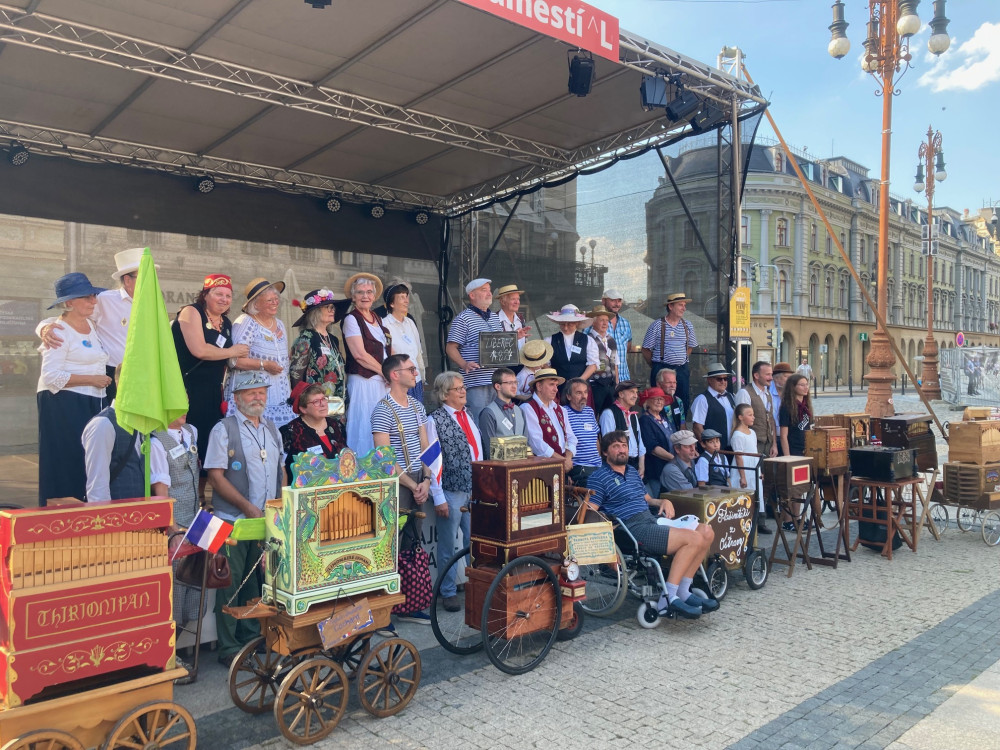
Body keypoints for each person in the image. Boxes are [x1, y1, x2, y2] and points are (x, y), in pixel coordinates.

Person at [589, 431, 717, 619]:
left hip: (650, 519)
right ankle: (668, 598)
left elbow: (648, 499)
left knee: (706, 531)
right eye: (616, 446)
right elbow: (590, 513)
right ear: (605, 452)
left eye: (624, 445)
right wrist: (606, 544)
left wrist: (663, 501)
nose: (622, 450)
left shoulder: (632, 472)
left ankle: (683, 591)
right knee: (693, 539)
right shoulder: (599, 477)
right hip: (631, 528)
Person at [204, 371, 284, 666]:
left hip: (264, 520)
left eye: (262, 392)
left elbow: (280, 470)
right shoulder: (223, 429)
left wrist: (279, 504)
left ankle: (251, 638)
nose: (258, 397)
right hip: (232, 521)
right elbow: (215, 477)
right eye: (251, 393)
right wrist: (247, 506)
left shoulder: (272, 428)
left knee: (255, 583)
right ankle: (228, 647)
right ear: (236, 399)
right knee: (230, 582)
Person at [36, 247, 158, 402]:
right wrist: (44, 328)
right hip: (114, 374)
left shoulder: (153, 305)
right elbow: (70, 317)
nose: (151, 281)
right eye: (145, 276)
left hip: (144, 373)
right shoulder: (105, 299)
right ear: (128, 280)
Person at [36, 272, 112, 505]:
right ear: (69, 303)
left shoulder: (91, 324)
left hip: (91, 400)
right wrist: (92, 379)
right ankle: (62, 514)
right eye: (87, 297)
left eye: (93, 296)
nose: (93, 301)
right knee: (66, 458)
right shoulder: (58, 331)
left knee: (85, 459)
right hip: (63, 402)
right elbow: (51, 376)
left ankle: (85, 511)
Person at [172, 274, 249, 501]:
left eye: (228, 295)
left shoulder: (226, 323)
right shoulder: (191, 312)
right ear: (205, 294)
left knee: (207, 444)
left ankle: (200, 497)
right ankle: (183, 497)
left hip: (213, 391)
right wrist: (233, 351)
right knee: (187, 443)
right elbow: (199, 350)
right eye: (218, 294)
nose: (224, 299)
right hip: (187, 388)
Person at [372, 354, 432, 624]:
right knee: (391, 543)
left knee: (412, 542)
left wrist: (427, 479)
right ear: (395, 375)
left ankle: (409, 603)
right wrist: (412, 483)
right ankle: (386, 607)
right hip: (398, 482)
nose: (415, 373)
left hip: (419, 478)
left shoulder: (417, 406)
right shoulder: (382, 410)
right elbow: (384, 457)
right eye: (411, 369)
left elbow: (426, 444)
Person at [429, 371, 480, 613]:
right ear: (444, 394)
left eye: (463, 387)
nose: (463, 391)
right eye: (457, 388)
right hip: (451, 490)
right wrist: (438, 496)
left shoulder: (469, 415)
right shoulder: (434, 420)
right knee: (448, 546)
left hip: (474, 488)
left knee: (475, 542)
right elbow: (432, 461)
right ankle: (448, 591)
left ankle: (477, 586)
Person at [82, 367, 170, 501]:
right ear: (121, 384)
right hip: (116, 512)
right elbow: (97, 489)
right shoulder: (103, 424)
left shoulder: (143, 425)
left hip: (141, 511)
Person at [152, 413, 204, 629]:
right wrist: (172, 528)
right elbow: (161, 491)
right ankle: (172, 638)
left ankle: (190, 637)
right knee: (176, 584)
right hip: (176, 521)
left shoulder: (192, 431)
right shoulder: (156, 441)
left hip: (195, 519)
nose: (182, 409)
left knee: (196, 579)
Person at [227, 278, 295, 428]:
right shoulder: (246, 322)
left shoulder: (280, 324)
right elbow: (234, 361)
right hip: (255, 394)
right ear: (256, 304)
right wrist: (264, 364)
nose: (275, 302)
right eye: (270, 300)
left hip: (281, 395)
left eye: (276, 299)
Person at [343, 273, 391, 457]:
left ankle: (381, 464)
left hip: (381, 382)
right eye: (360, 292)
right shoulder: (351, 319)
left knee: (381, 425)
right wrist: (385, 373)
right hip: (364, 381)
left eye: (369, 292)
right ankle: (360, 465)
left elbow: (386, 349)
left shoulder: (377, 318)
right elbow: (360, 355)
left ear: (375, 296)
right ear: (353, 296)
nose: (365, 296)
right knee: (364, 425)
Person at [446, 278, 503, 423]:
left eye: (489, 290)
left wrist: (514, 337)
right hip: (475, 382)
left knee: (496, 423)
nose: (489, 294)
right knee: (479, 422)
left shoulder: (495, 318)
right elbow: (450, 347)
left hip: (496, 381)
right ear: (472, 295)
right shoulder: (463, 318)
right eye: (484, 290)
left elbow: (500, 345)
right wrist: (464, 364)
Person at [288, 287, 349, 406]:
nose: (332, 310)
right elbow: (296, 374)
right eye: (328, 307)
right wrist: (303, 404)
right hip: (316, 404)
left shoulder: (333, 339)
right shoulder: (306, 338)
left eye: (333, 307)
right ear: (315, 312)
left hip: (337, 403)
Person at [280, 382, 347, 479]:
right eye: (316, 401)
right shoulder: (289, 431)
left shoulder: (336, 425)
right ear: (303, 409)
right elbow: (282, 469)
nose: (323, 404)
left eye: (323, 399)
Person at [641, 292, 697, 403]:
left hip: (681, 369)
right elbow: (645, 349)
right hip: (661, 368)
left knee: (683, 401)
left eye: (684, 305)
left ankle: (681, 416)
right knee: (659, 400)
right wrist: (655, 365)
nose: (684, 308)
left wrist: (681, 358)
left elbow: (691, 346)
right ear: (670, 306)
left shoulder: (688, 325)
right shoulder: (657, 325)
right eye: (680, 305)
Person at [519, 368, 576, 475]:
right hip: (540, 469)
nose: (556, 389)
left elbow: (571, 437)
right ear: (539, 386)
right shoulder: (528, 408)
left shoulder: (561, 410)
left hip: (561, 466)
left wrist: (567, 458)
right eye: (551, 385)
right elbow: (536, 443)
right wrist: (562, 461)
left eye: (556, 385)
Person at [381, 282, 427, 403]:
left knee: (417, 413)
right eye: (401, 297)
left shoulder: (410, 322)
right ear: (391, 303)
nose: (406, 301)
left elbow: (418, 353)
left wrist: (422, 378)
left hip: (415, 379)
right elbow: (388, 355)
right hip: (399, 382)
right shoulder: (384, 324)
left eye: (406, 296)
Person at [545, 304, 598, 387]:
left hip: (581, 386)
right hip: (557, 387)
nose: (565, 328)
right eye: (562, 324)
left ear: (577, 323)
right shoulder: (550, 340)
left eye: (570, 324)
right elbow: (545, 364)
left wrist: (580, 380)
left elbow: (593, 365)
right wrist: (555, 380)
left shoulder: (587, 340)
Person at [599, 381, 645, 476]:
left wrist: (641, 465)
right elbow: (608, 445)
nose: (635, 396)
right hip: (618, 465)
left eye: (636, 392)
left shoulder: (633, 415)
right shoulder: (609, 413)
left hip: (635, 464)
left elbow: (640, 442)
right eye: (632, 392)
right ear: (621, 394)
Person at [730, 405, 764, 530]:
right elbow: (739, 456)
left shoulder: (752, 433)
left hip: (753, 466)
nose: (753, 417)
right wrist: (742, 476)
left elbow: (755, 452)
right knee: (744, 495)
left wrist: (760, 470)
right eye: (750, 415)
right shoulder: (738, 435)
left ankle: (756, 523)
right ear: (740, 417)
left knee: (756, 493)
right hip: (744, 467)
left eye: (753, 414)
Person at [563, 378, 602, 487]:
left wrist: (598, 459)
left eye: (585, 392)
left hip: (597, 465)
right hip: (579, 467)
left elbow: (596, 440)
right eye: (579, 393)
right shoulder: (563, 412)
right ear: (569, 396)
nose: (584, 396)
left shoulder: (589, 411)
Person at [691, 363, 736, 452]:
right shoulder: (702, 399)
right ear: (709, 380)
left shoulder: (730, 396)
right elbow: (697, 427)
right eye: (719, 379)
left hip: (731, 448)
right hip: (712, 451)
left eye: (725, 379)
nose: (723, 382)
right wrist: (707, 447)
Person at [638, 387, 674, 498]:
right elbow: (652, 448)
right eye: (655, 399)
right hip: (656, 469)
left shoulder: (663, 418)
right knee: (658, 499)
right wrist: (674, 459)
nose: (659, 401)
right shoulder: (644, 420)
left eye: (662, 399)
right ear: (647, 402)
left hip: (669, 467)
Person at [478, 367, 526, 447]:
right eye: (510, 383)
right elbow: (490, 448)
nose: (514, 386)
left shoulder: (520, 411)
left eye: (515, 382)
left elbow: (526, 442)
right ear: (498, 386)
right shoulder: (488, 413)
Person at [585, 304, 618, 413]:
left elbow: (615, 364)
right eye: (601, 320)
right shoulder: (587, 339)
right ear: (593, 322)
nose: (605, 323)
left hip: (611, 386)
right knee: (594, 413)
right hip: (595, 385)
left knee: (610, 414)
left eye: (606, 320)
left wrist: (616, 384)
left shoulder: (611, 340)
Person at [596, 289, 632, 382]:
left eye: (619, 300)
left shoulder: (626, 323)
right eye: (613, 300)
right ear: (603, 301)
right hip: (603, 379)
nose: (617, 304)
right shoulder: (594, 323)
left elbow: (628, 346)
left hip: (624, 377)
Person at [496, 285, 531, 367]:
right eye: (513, 299)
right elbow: (492, 346)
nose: (517, 302)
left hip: (521, 364)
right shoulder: (494, 319)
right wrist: (513, 337)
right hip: (503, 366)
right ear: (502, 301)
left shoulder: (520, 319)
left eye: (518, 299)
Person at [656, 367, 687, 433]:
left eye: (674, 382)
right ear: (659, 384)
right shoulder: (654, 402)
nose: (672, 386)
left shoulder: (678, 401)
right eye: (669, 382)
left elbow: (682, 426)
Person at [770, 362, 794, 442]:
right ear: (776, 378)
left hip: (788, 435)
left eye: (790, 377)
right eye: (786, 377)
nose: (789, 380)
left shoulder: (791, 392)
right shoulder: (767, 393)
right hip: (771, 436)